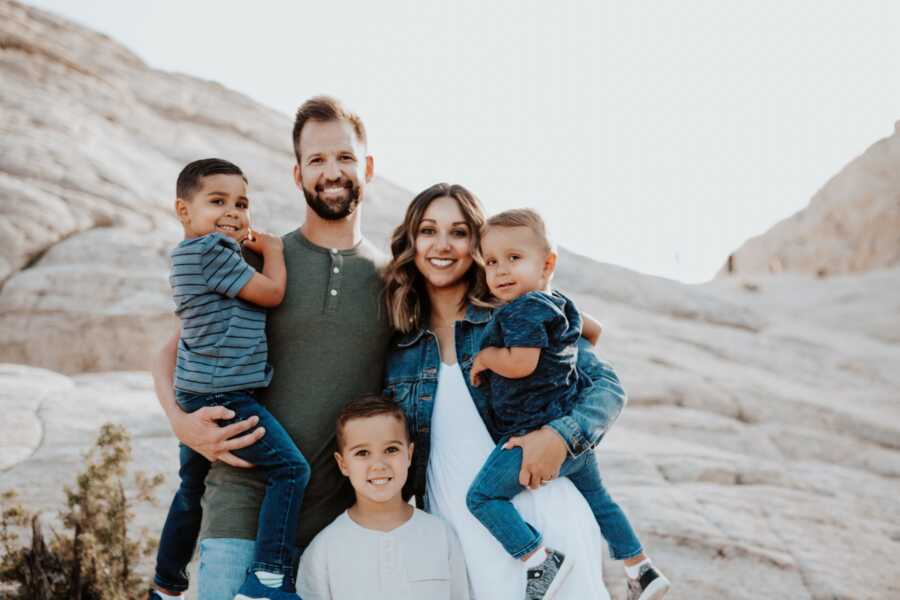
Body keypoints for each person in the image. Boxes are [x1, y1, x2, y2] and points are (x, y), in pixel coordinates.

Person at [151, 97, 391, 600]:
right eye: (318, 160)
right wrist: (181, 421)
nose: (332, 172)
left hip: (340, 532)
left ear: (366, 167)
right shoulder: (255, 261)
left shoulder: (392, 280)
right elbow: (172, 351)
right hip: (239, 518)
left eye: (345, 158)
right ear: (298, 172)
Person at [383, 183, 626, 599]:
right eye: (428, 230)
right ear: (411, 241)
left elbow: (607, 389)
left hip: (543, 521)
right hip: (458, 534)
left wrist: (560, 437)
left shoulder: (522, 316)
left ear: (477, 246)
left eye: (459, 232)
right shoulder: (399, 345)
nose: (442, 245)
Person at [466, 208, 670, 600]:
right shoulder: (557, 302)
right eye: (491, 262)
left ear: (548, 263)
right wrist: (564, 350)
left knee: (482, 497)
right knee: (600, 499)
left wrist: (488, 358)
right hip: (571, 436)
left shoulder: (522, 310)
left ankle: (538, 559)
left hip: (533, 438)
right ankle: (640, 568)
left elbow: (522, 363)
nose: (501, 271)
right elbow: (594, 331)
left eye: (514, 258)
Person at [151, 158, 309, 600]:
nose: (233, 212)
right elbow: (272, 293)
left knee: (191, 487)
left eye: (241, 203)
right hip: (224, 394)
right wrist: (275, 252)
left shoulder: (192, 254)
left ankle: (166, 583)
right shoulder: (210, 253)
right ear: (183, 211)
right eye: (217, 201)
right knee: (292, 470)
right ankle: (268, 577)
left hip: (197, 390)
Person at [297, 395, 470, 600]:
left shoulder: (441, 535)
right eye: (362, 453)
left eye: (391, 450)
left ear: (409, 454)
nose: (378, 464)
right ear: (343, 464)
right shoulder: (323, 550)